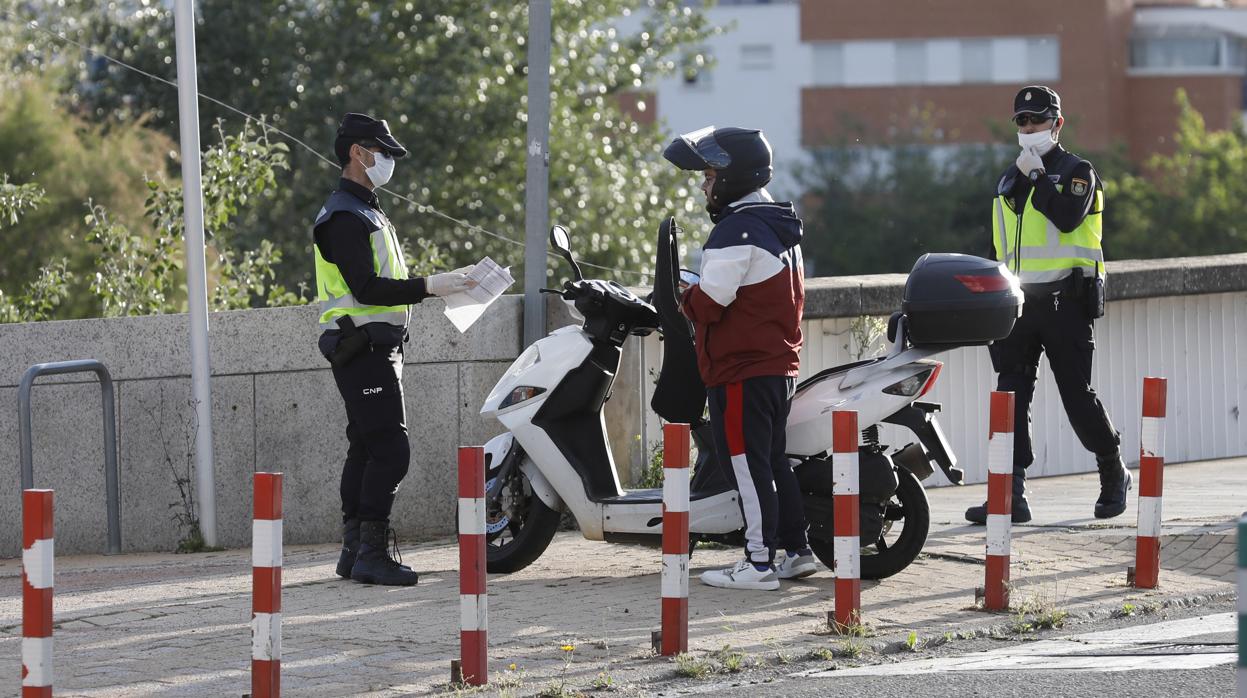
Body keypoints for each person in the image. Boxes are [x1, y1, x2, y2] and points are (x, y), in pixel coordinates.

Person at [313, 112, 476, 585]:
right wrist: (430, 286)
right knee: (391, 451)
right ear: (357, 154)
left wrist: (441, 284)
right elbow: (366, 288)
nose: (388, 160)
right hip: (361, 347)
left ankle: (353, 552)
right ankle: (370, 553)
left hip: (374, 346)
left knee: (366, 448)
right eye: (381, 152)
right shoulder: (344, 215)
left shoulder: (366, 210)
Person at [965, 86, 1131, 525]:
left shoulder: (1078, 172)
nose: (1028, 129)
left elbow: (1067, 217)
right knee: (1010, 399)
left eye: (1036, 121)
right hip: (1020, 306)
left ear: (1057, 124)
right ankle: (1010, 495)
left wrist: (1038, 177)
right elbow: (996, 249)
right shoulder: (1008, 179)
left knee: (1077, 397)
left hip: (1066, 303)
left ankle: (1113, 471)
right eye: (1021, 121)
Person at [663, 126, 814, 591]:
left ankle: (758, 563)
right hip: (775, 365)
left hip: (741, 369)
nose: (704, 185)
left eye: (709, 175)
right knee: (771, 462)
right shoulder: (776, 222)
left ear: (731, 177)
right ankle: (797, 550)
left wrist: (684, 294)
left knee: (747, 465)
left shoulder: (735, 229)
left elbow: (711, 304)